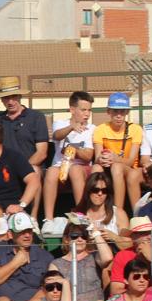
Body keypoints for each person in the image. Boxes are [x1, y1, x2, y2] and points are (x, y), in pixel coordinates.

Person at [0, 76, 50, 214]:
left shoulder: (36, 117)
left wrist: (21, 169)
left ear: (19, 96)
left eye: (13, 97)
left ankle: (33, 218)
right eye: (6, 97)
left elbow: (42, 153)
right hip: (3, 169)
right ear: (1, 99)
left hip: (29, 167)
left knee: (34, 171)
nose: (10, 101)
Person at [44, 91, 96, 226]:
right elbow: (56, 136)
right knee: (50, 172)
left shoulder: (92, 128)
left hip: (80, 168)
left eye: (89, 110)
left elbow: (88, 156)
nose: (87, 114)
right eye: (83, 110)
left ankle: (81, 213)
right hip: (60, 167)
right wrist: (71, 127)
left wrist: (74, 151)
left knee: (75, 169)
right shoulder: (60, 123)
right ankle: (48, 219)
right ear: (72, 110)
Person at [89, 91, 145, 212]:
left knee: (117, 167)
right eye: (115, 111)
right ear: (108, 111)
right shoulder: (100, 129)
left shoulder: (135, 129)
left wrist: (114, 159)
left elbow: (130, 161)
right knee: (95, 168)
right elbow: (97, 157)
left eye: (122, 111)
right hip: (108, 167)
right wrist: (102, 158)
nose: (119, 115)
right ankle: (92, 211)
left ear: (127, 112)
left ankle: (117, 212)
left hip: (128, 169)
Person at [0, 212, 53, 301]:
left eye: (29, 231)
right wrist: (15, 263)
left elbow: (50, 289)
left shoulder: (44, 256)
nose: (27, 235)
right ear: (10, 234)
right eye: (22, 232)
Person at [52, 219, 112, 301]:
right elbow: (53, 291)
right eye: (75, 236)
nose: (80, 239)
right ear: (66, 239)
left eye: (84, 236)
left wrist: (95, 232)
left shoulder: (94, 257)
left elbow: (108, 258)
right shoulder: (56, 264)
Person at [108, 217, 152, 296]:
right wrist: (145, 292)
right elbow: (115, 291)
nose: (149, 237)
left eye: (151, 232)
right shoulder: (122, 255)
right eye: (143, 233)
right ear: (132, 237)